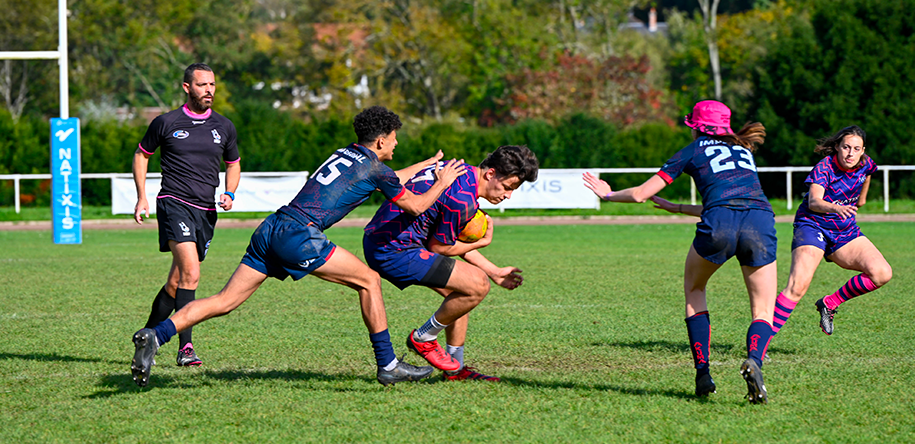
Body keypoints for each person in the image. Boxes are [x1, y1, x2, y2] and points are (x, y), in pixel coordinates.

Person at [132, 106, 467, 387]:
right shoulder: (377, 168)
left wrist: (424, 167)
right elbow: (418, 206)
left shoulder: (349, 154)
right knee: (369, 280)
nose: (396, 145)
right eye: (394, 140)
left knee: (224, 301)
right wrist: (442, 182)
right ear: (380, 140)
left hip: (272, 228)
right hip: (298, 235)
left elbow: (388, 176)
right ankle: (389, 366)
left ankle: (155, 335)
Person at [583, 100, 778, 404]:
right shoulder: (744, 151)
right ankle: (754, 360)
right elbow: (736, 201)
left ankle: (703, 373)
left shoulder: (695, 149)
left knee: (695, 288)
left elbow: (639, 195)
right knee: (763, 309)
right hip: (760, 221)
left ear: (697, 127)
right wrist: (677, 208)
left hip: (719, 224)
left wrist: (607, 193)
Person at [362, 145, 539, 381]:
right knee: (476, 284)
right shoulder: (462, 199)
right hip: (394, 249)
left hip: (381, 239)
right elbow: (441, 248)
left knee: (461, 293)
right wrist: (480, 243)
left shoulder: (460, 172)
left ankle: (455, 369)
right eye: (507, 187)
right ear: (490, 174)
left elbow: (444, 242)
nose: (508, 195)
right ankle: (423, 338)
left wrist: (495, 271)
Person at [133, 63, 241, 368]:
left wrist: (230, 192)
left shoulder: (224, 126)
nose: (209, 90)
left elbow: (233, 163)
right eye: (202, 85)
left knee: (176, 282)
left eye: (213, 85)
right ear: (187, 88)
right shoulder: (166, 122)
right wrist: (142, 197)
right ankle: (186, 348)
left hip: (205, 212)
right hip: (173, 203)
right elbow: (142, 155)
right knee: (191, 273)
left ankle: (147, 337)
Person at [768, 125, 891, 337]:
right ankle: (761, 341)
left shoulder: (865, 162)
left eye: (856, 148)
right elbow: (814, 201)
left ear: (863, 150)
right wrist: (836, 207)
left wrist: (861, 199)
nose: (851, 153)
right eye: (845, 147)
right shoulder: (824, 168)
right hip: (812, 225)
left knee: (882, 273)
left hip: (844, 230)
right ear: (837, 147)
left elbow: (869, 171)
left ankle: (830, 303)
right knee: (797, 286)